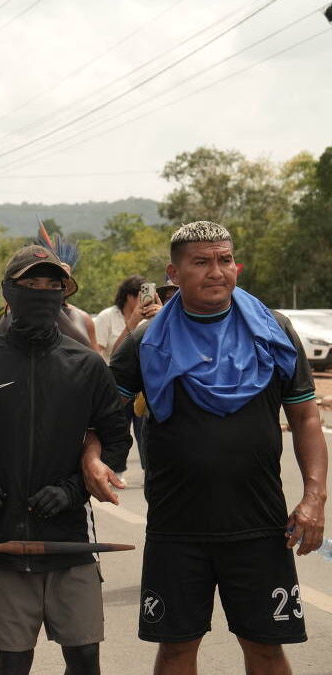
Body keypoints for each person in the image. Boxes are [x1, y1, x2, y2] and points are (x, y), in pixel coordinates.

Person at [83, 221, 328, 675]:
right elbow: (105, 415)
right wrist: (92, 456)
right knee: (176, 650)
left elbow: (306, 417)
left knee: (266, 648)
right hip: (176, 525)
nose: (217, 271)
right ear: (173, 273)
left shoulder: (274, 330)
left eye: (224, 260)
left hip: (259, 522)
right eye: (201, 262)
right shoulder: (145, 341)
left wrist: (314, 497)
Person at [0, 245, 131, 675]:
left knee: (84, 660)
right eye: (31, 283)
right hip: (1, 543)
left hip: (71, 542)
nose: (43, 292)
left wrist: (73, 490)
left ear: (63, 295)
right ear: (8, 292)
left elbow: (116, 440)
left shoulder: (86, 364)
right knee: (12, 663)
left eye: (53, 285)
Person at [93, 275, 155, 364]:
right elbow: (96, 355)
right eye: (142, 295)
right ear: (130, 296)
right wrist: (132, 323)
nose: (146, 300)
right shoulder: (106, 317)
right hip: (111, 370)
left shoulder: (146, 321)